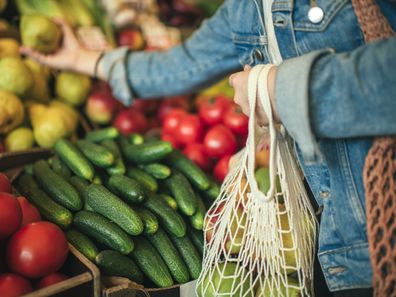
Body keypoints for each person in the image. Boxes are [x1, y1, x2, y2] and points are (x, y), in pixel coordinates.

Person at [21, 1, 396, 295]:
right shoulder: (245, 7)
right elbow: (183, 64)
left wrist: (283, 91)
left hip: (377, 236)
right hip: (316, 243)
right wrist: (83, 59)